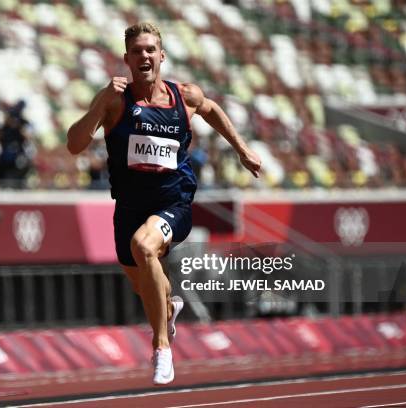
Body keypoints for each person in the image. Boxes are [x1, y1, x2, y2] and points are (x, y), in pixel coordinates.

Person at [66, 22, 261, 385]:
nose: (144, 56)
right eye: (137, 51)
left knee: (145, 246)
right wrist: (97, 106)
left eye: (150, 49)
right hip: (128, 207)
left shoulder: (183, 96)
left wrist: (243, 150)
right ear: (126, 59)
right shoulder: (113, 99)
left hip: (175, 202)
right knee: (146, 286)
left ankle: (161, 347)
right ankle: (169, 308)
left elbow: (212, 108)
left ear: (162, 55)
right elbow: (74, 144)